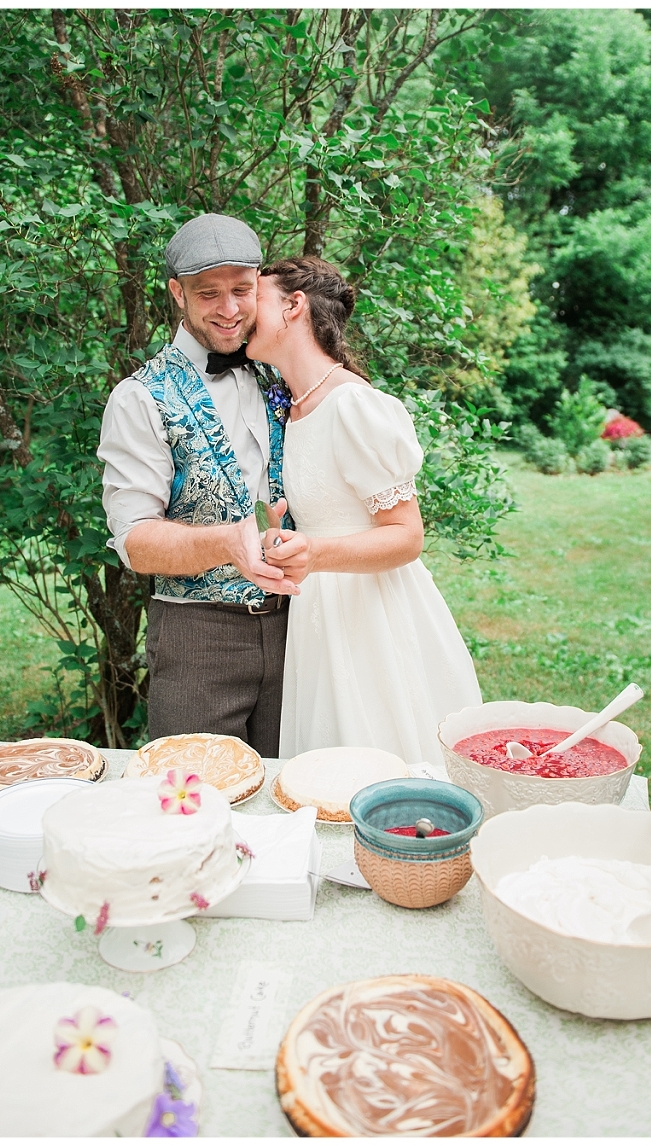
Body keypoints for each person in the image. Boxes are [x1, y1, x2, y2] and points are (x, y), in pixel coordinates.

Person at [247, 256, 482, 767]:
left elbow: (406, 535)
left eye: (255, 296)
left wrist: (316, 552)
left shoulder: (354, 405)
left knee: (379, 759)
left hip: (372, 614)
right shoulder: (290, 406)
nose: (242, 308)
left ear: (293, 306)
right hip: (318, 613)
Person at [98, 214, 297, 756]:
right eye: (208, 293)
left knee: (292, 801)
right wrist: (224, 544)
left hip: (302, 632)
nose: (229, 310)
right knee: (192, 804)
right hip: (196, 637)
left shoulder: (281, 371)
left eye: (241, 290)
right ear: (177, 295)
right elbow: (135, 542)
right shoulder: (138, 398)